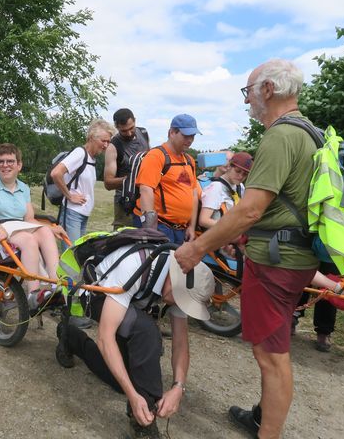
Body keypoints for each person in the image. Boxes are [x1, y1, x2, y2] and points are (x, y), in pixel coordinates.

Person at [174, 59, 319, 439]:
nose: (247, 102)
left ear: (268, 90)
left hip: (276, 261)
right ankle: (261, 417)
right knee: (276, 348)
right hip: (294, 253)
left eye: (248, 92)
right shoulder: (310, 133)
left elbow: (251, 208)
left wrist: (197, 248)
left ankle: (267, 433)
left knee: (271, 356)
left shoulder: (280, 136)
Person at [55, 247, 215, 438]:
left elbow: (181, 343)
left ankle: (71, 337)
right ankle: (144, 422)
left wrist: (178, 387)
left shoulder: (182, 286)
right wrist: (133, 396)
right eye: (180, 300)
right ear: (174, 278)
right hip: (98, 294)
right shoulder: (134, 265)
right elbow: (106, 337)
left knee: (121, 379)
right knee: (146, 331)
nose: (179, 306)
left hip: (129, 302)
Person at [0, 143, 67, 312]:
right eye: (1, 161)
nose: (5, 165)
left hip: (16, 227)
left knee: (45, 231)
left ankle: (55, 286)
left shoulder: (23, 187)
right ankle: (34, 294)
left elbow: (29, 219)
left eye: (10, 161)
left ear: (19, 165)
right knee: (28, 239)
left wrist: (51, 228)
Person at [133, 114, 200, 244]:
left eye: (193, 136)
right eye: (186, 135)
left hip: (180, 229)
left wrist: (191, 226)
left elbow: (194, 195)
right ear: (172, 133)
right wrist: (150, 230)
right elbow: (146, 190)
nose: (190, 140)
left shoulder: (189, 161)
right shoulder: (156, 156)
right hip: (160, 226)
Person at [50, 119, 116, 243]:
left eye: (108, 141)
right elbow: (56, 173)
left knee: (77, 253)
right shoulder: (80, 153)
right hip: (72, 213)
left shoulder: (91, 158)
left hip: (82, 214)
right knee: (71, 254)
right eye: (103, 141)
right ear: (91, 137)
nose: (106, 145)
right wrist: (69, 196)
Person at [104, 108, 150, 229]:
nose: (129, 133)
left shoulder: (143, 133)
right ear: (116, 127)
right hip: (125, 202)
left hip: (145, 197)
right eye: (124, 131)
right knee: (124, 240)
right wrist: (132, 179)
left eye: (131, 128)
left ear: (135, 121)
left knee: (147, 238)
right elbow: (108, 183)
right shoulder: (113, 147)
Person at [199, 152, 253, 229]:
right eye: (237, 171)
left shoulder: (240, 186)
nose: (240, 176)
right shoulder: (216, 187)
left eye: (245, 174)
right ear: (229, 167)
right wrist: (232, 228)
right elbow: (204, 220)